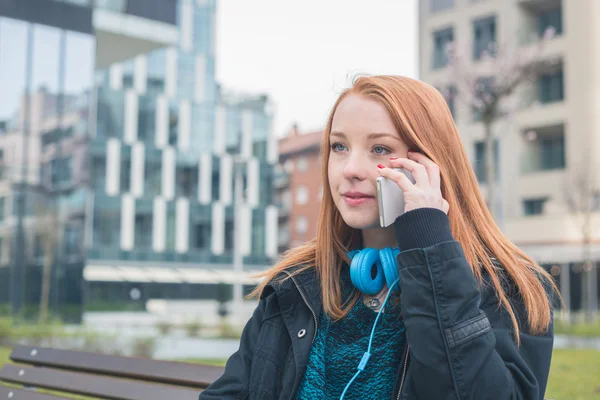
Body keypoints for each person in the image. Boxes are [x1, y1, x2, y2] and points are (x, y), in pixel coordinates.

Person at [199, 75, 558, 400]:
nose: (351, 169)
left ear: (430, 166)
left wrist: (429, 246)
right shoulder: (297, 283)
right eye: (339, 147)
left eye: (380, 149)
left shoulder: (506, 289)